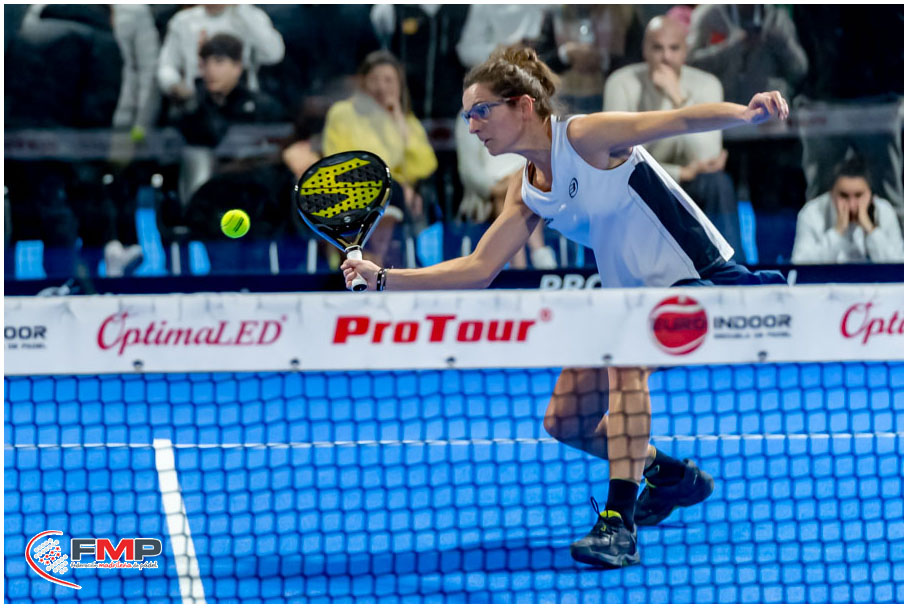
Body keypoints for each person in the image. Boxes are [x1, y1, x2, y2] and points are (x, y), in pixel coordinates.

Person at [341, 45, 789, 569]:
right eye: (467, 116)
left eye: (481, 111)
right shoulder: (526, 189)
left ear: (523, 106)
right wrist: (383, 279)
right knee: (566, 421)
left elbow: (678, 119)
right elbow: (479, 268)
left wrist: (746, 113)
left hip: (701, 283)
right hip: (633, 302)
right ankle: (667, 475)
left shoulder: (585, 137)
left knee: (626, 358)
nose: (473, 126)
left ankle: (619, 526)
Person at [604, 15, 743, 260]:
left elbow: (707, 157)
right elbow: (615, 158)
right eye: (657, 48)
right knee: (626, 183)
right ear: (645, 50)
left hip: (693, 181)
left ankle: (731, 268)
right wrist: (681, 173)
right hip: (642, 180)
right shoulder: (621, 83)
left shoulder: (707, 84)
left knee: (719, 184)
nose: (665, 57)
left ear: (685, 50)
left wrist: (677, 98)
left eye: (674, 48)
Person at [322, 50, 438, 268]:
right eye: (374, 79)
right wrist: (400, 182)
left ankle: (380, 265)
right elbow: (340, 161)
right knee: (393, 191)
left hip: (396, 194)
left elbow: (425, 165)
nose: (381, 87)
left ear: (399, 85)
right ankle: (382, 265)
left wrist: (398, 121)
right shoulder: (343, 113)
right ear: (363, 83)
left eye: (388, 80)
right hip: (351, 191)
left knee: (397, 194)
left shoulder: (405, 120)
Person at [791, 156, 903, 264]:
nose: (852, 205)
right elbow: (799, 265)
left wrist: (870, 229)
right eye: (844, 195)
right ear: (831, 193)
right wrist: (838, 232)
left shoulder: (884, 211)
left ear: (870, 194)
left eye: (858, 195)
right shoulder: (811, 213)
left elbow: (900, 266)